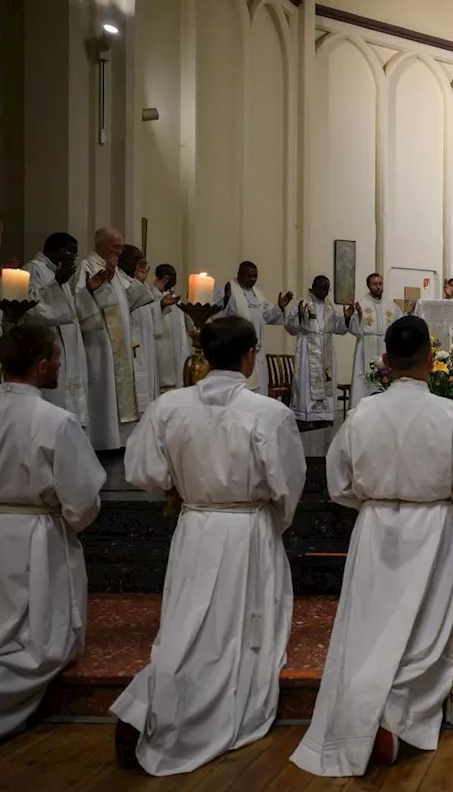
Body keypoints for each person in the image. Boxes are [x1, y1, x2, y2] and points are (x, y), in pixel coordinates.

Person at [292, 316, 453, 776]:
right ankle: (395, 711)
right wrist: (449, 510)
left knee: (370, 625)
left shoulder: (363, 413)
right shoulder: (450, 416)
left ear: (385, 363)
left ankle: (364, 709)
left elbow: (338, 482)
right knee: (426, 630)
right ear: (430, 360)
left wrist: (374, 505)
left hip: (376, 526)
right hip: (435, 527)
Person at [112, 316, 306, 776]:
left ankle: (151, 703)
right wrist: (271, 521)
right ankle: (173, 709)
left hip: (196, 525)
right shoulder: (268, 413)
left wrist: (181, 488)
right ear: (248, 356)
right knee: (241, 637)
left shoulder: (169, 406)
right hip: (246, 529)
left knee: (187, 624)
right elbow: (288, 484)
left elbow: (141, 471)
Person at [0, 326, 105, 739]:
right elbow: (82, 500)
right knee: (40, 644)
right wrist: (69, 522)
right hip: (35, 536)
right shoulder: (55, 421)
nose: (61, 364)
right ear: (42, 366)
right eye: (58, 358)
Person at [72, 228, 159, 450]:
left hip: (118, 341)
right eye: (115, 247)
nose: (119, 251)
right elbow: (79, 306)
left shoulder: (115, 269)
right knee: (103, 387)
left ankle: (119, 439)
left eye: (121, 247)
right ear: (100, 245)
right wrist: (96, 289)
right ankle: (102, 438)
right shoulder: (88, 266)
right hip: (99, 342)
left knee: (117, 388)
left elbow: (126, 298)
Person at [21, 232, 96, 427]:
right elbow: (32, 308)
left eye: (75, 253)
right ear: (53, 250)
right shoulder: (32, 269)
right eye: (69, 251)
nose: (72, 257)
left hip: (66, 345)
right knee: (53, 400)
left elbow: (69, 311)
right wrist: (56, 284)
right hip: (47, 342)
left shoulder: (59, 273)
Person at [213, 261, 293, 395]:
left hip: (256, 351)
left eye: (255, 276)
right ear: (239, 274)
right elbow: (215, 316)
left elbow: (268, 316)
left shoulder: (258, 294)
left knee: (258, 390)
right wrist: (225, 300)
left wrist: (279, 307)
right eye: (249, 276)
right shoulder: (228, 290)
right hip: (236, 350)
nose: (252, 279)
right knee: (240, 391)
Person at [285, 275, 353, 427]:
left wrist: (346, 318)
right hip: (307, 349)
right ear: (313, 287)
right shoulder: (302, 303)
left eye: (327, 289)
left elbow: (339, 329)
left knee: (327, 380)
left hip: (326, 349)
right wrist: (300, 317)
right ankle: (305, 416)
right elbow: (290, 327)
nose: (325, 292)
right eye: (322, 288)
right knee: (306, 381)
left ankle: (324, 416)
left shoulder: (331, 306)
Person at [348, 273, 402, 411]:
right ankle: (362, 410)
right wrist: (358, 317)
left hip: (385, 346)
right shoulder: (361, 304)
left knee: (385, 378)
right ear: (368, 285)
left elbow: (399, 325)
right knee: (363, 378)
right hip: (365, 345)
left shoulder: (391, 306)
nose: (378, 287)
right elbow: (354, 330)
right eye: (374, 284)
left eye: (380, 284)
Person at [119, 246, 163, 413]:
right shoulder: (119, 281)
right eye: (136, 262)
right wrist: (139, 283)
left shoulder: (133, 282)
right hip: (131, 339)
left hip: (145, 340)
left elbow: (148, 307)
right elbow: (123, 306)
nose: (139, 267)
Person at [151, 264, 192, 393]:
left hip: (179, 350)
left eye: (174, 275)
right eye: (169, 275)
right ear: (160, 277)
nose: (172, 278)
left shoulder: (177, 300)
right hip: (163, 351)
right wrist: (161, 305)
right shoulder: (152, 297)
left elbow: (188, 325)